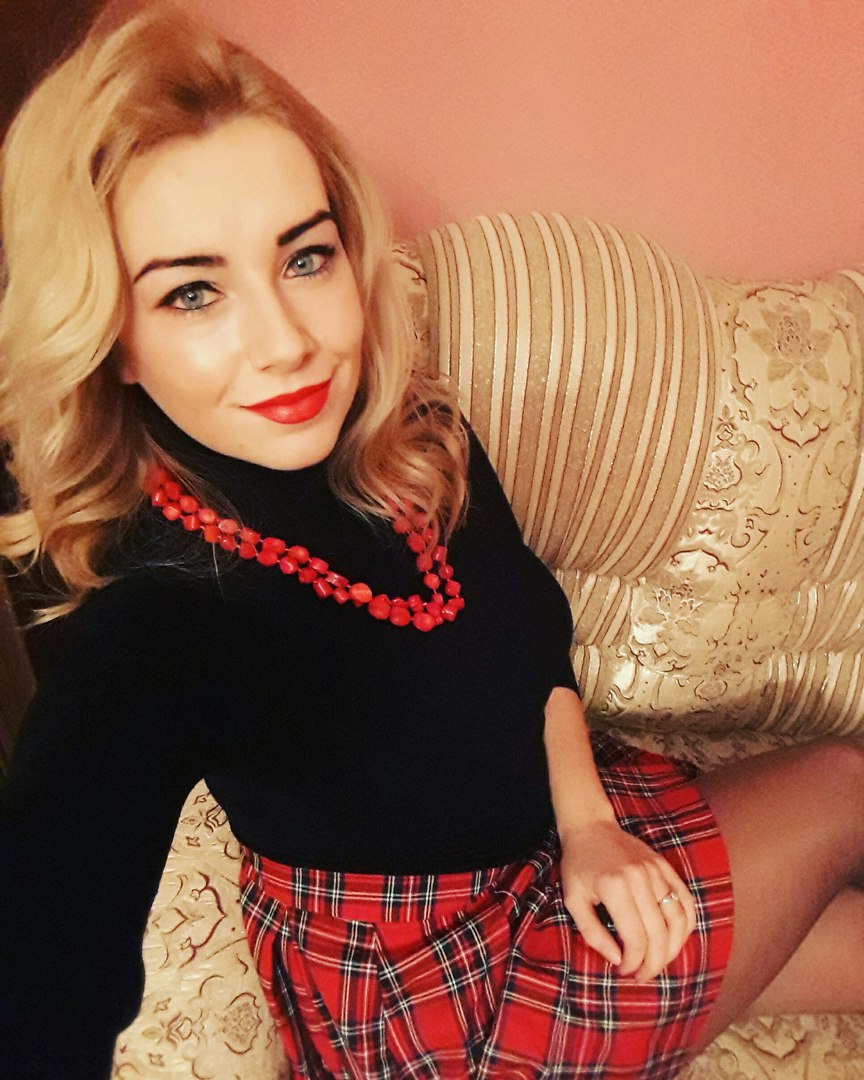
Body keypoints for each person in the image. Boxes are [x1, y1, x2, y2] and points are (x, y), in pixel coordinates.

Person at [1, 4, 863, 1079]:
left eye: (303, 259)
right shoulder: (159, 618)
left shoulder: (414, 434)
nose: (286, 344)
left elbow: (530, 633)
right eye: (193, 292)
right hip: (440, 1000)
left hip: (555, 857)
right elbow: (50, 934)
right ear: (113, 339)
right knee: (840, 780)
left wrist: (589, 829)